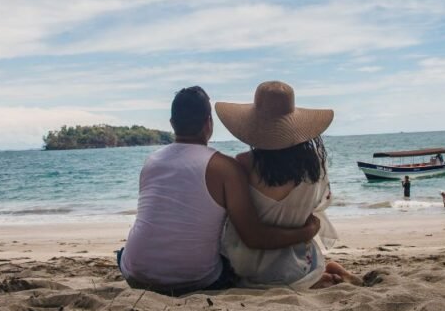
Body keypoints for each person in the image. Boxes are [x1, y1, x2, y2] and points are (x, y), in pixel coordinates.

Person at [118, 86, 321, 296]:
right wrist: (307, 231)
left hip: (136, 275)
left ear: (172, 124)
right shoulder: (225, 168)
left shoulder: (150, 162)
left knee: (123, 252)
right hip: (196, 280)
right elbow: (254, 236)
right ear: (209, 123)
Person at [216, 81, 359, 289]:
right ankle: (321, 274)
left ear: (254, 125)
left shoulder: (244, 163)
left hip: (250, 265)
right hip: (300, 259)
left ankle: (323, 276)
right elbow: (318, 207)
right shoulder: (315, 166)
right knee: (299, 273)